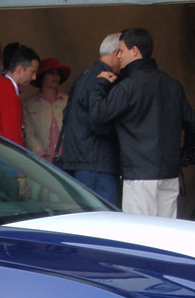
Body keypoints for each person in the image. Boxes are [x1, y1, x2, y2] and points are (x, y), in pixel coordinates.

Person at [89, 28, 195, 218]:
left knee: (140, 236)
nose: (119, 56)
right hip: (169, 173)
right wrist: (185, 151)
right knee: (167, 234)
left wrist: (99, 85)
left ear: (134, 51)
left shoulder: (126, 87)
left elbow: (98, 116)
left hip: (139, 175)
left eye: (121, 50)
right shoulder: (172, 84)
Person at [59, 33, 123, 206]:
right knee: (104, 221)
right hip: (97, 163)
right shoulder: (106, 78)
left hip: (81, 160)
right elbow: (99, 120)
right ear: (117, 52)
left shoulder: (85, 75)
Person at [0, 44, 40, 145]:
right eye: (32, 72)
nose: (34, 77)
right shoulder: (10, 97)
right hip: (3, 156)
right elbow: (14, 140)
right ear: (20, 69)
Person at [22, 57, 71, 162]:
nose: (55, 77)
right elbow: (28, 133)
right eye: (51, 73)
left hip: (67, 158)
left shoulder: (68, 101)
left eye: (58, 74)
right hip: (41, 160)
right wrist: (40, 155)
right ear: (42, 77)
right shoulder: (28, 104)